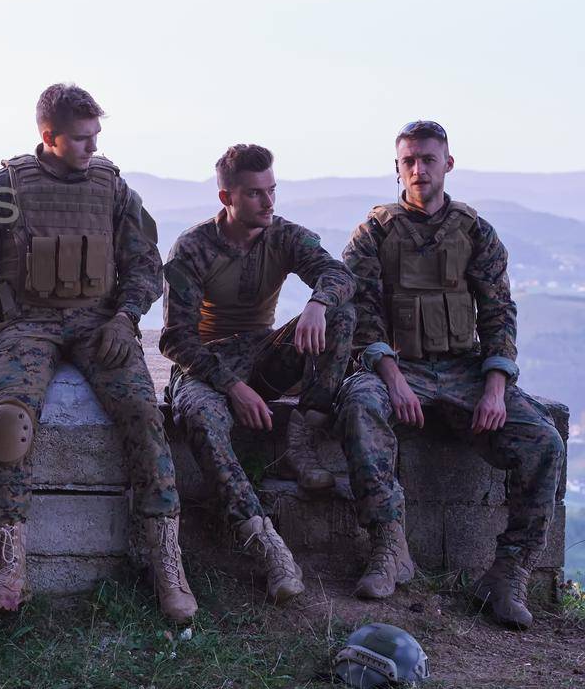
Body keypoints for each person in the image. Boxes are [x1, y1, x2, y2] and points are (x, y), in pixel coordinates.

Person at [0, 83, 195, 622]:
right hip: (26, 323)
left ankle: (165, 558)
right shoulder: (4, 190)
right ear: (48, 137)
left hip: (98, 321)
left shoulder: (113, 189)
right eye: (81, 139)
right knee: (9, 423)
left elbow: (145, 266)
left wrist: (126, 318)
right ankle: (9, 564)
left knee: (142, 413)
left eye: (96, 137)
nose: (92, 147)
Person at [337, 120, 563, 626]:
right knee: (359, 405)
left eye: (428, 159)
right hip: (397, 365)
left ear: (448, 164)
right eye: (409, 161)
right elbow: (362, 315)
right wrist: (392, 378)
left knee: (543, 441)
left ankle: (507, 575)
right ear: (397, 168)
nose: (419, 169)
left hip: (463, 369)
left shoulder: (475, 232)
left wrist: (496, 387)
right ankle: (388, 548)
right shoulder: (374, 233)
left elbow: (499, 314)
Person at [159, 143, 356, 604]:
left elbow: (341, 276)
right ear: (226, 197)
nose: (268, 203)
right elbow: (175, 340)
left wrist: (317, 304)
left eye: (272, 191)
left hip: (263, 352)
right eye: (254, 194)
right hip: (206, 366)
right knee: (203, 419)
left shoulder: (282, 235)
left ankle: (301, 442)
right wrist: (234, 388)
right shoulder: (192, 248)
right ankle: (268, 547)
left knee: (343, 317)